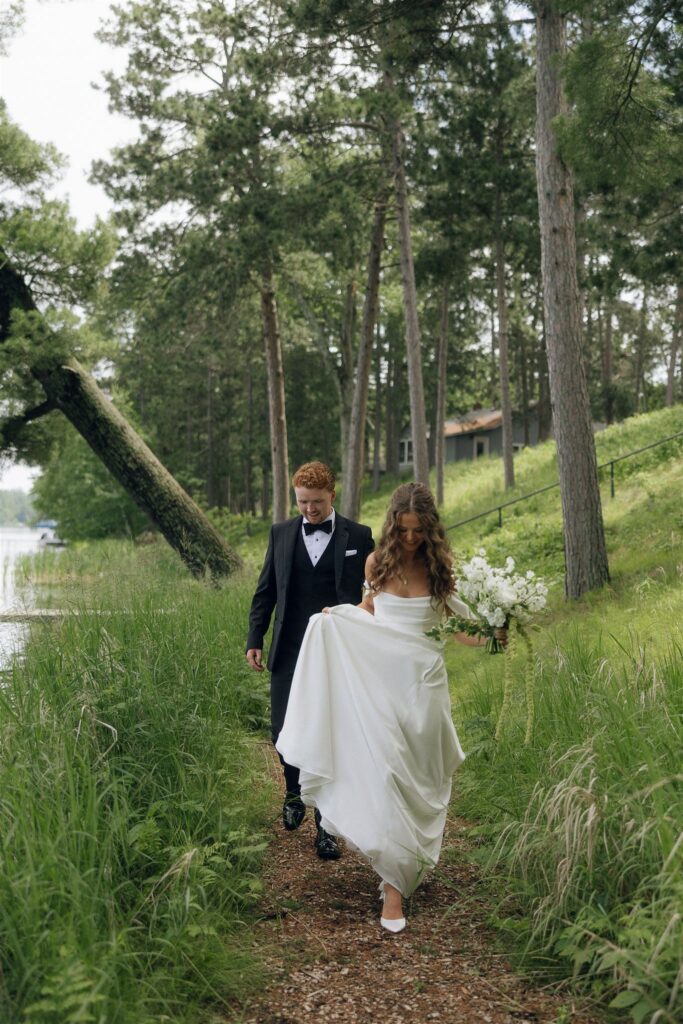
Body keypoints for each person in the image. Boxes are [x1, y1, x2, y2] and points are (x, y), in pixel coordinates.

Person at [276, 482, 504, 932]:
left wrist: (496, 635)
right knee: (386, 775)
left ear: (431, 529)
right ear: (392, 526)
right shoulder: (376, 562)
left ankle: (403, 865)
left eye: (419, 531)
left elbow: (459, 629)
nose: (411, 538)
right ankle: (393, 889)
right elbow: (370, 609)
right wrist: (338, 619)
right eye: (403, 530)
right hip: (381, 683)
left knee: (419, 782)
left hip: (423, 688)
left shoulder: (442, 568)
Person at [246, 461, 374, 859]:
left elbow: (374, 596)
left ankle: (327, 828)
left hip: (338, 652)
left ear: (331, 496)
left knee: (331, 737)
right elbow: (266, 590)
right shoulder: (281, 533)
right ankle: (293, 791)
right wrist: (255, 637)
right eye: (302, 502)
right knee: (283, 729)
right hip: (288, 647)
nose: (309, 511)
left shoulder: (360, 536)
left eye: (316, 503)